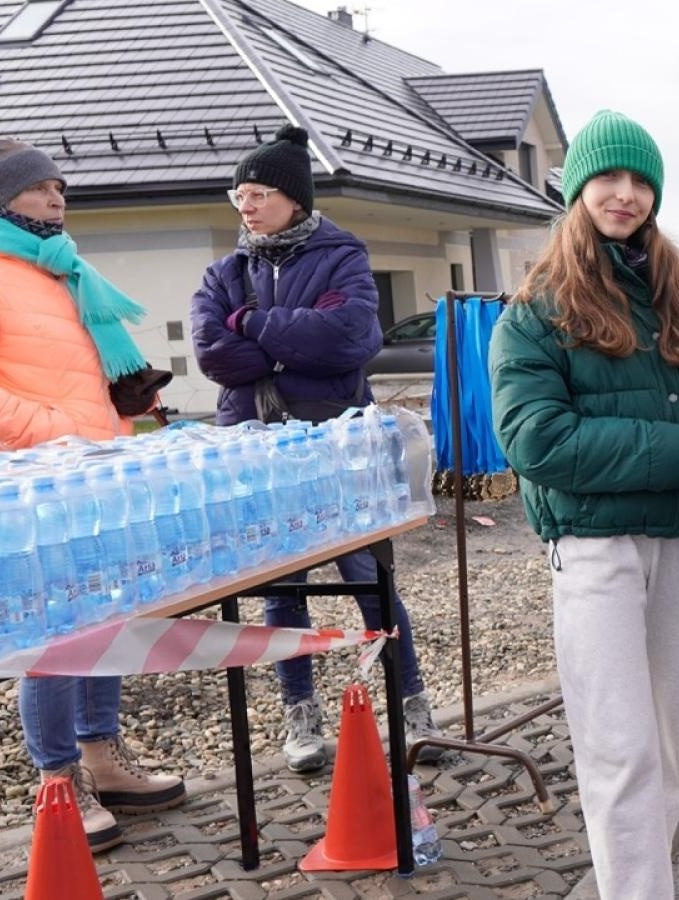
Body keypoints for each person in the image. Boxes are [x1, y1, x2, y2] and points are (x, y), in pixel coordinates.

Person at [488, 110, 679, 900]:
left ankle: (646, 884)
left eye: (641, 180)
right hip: (593, 546)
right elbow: (535, 440)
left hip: (676, 540)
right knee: (620, 749)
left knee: (665, 749)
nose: (625, 193)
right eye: (608, 176)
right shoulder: (535, 309)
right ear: (577, 189)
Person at [0, 138, 185, 851]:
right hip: (28, 487)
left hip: (93, 476)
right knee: (54, 633)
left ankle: (103, 758)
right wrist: (58, 432)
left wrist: (119, 398)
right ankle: (59, 782)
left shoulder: (61, 266)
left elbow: (63, 368)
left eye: (59, 187)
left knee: (107, 617)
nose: (56, 198)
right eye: (39, 188)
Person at [189, 124, 444, 774]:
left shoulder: (342, 255)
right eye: (240, 195)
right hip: (257, 449)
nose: (246, 206)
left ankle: (411, 703)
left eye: (259, 194)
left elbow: (350, 337)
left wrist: (254, 326)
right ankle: (300, 713)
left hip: (338, 446)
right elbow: (214, 354)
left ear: (294, 198)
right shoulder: (224, 272)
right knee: (283, 587)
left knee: (369, 579)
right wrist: (292, 343)